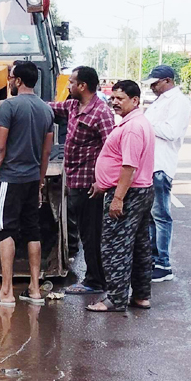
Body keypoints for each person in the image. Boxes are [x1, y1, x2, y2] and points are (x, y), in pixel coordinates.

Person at [0, 60, 57, 307]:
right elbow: (46, 153)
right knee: (32, 231)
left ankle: (6, 293)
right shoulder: (47, 111)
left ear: (19, 80)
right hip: (32, 179)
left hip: (10, 179)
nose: (10, 80)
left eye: (12, 76)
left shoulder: (10, 107)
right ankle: (35, 290)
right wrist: (39, 183)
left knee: (6, 230)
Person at [86, 79, 156, 313]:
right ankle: (141, 295)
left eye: (120, 99)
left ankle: (115, 298)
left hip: (130, 193)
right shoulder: (134, 122)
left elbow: (129, 166)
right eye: (113, 98)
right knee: (138, 245)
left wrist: (117, 198)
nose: (114, 102)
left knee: (115, 246)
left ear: (135, 100)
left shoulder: (133, 128)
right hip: (140, 191)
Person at [49, 66, 115, 294]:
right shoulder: (73, 106)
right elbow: (51, 107)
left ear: (82, 86)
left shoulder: (101, 113)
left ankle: (95, 281)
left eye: (71, 82)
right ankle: (95, 277)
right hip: (75, 181)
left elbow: (112, 150)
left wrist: (102, 182)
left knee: (91, 234)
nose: (68, 86)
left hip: (90, 186)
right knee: (86, 232)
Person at [144, 64, 191, 282]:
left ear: (168, 81)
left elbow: (171, 132)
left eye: (155, 83)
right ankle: (154, 259)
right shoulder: (160, 101)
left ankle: (163, 263)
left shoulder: (178, 102)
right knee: (151, 217)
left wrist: (147, 124)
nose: (152, 87)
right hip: (150, 165)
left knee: (161, 215)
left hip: (162, 165)